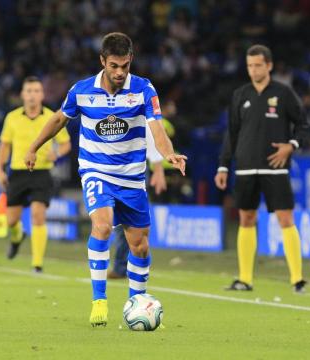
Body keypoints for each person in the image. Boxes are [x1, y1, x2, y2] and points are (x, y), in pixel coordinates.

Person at [24, 32, 187, 327]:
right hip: (96, 170)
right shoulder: (82, 90)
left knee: (139, 245)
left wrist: (169, 155)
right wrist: (34, 146)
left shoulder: (143, 89)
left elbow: (156, 128)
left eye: (124, 65)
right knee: (101, 225)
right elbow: (59, 119)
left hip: (133, 176)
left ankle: (136, 301)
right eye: (114, 65)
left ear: (131, 61)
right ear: (102, 61)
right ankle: (99, 300)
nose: (120, 72)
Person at [214, 44, 309, 293]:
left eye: (258, 65)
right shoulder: (240, 95)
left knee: (285, 218)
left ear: (269, 65)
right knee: (246, 218)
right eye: (249, 65)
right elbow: (231, 133)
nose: (253, 70)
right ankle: (245, 279)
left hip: (275, 168)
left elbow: (303, 125)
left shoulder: (284, 93)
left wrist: (292, 145)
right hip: (245, 167)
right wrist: (223, 166)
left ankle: (297, 280)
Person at [0, 76, 71, 273]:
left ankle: (37, 264)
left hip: (42, 172)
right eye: (28, 91)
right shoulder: (12, 117)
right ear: (22, 94)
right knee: (11, 221)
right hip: (17, 172)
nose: (32, 95)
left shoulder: (51, 117)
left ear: (42, 95)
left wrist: (57, 153)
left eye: (36, 91)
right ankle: (17, 237)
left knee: (38, 215)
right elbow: (4, 145)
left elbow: (66, 144)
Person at [107, 125, 167, 280]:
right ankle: (126, 266)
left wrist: (158, 169)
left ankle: (128, 267)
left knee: (130, 221)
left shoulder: (136, 102)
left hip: (133, 167)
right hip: (107, 166)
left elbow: (151, 131)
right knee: (118, 221)